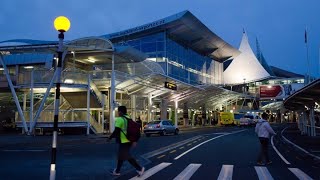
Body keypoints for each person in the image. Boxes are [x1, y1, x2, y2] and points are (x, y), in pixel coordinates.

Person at [108, 106, 145, 176]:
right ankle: (117, 171)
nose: (118, 113)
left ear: (120, 112)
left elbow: (116, 131)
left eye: (118, 111)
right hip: (129, 140)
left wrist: (109, 138)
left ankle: (140, 168)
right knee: (121, 156)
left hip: (124, 141)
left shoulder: (120, 119)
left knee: (126, 156)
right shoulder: (128, 118)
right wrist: (135, 140)